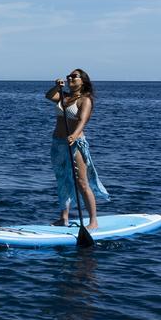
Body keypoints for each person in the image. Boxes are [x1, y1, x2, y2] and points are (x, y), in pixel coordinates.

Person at [45, 69, 109, 228]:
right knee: (63, 180)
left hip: (75, 144)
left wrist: (74, 135)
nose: (70, 78)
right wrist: (56, 86)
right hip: (58, 143)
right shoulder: (64, 96)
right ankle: (64, 218)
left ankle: (93, 221)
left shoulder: (85, 100)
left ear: (83, 81)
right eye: (69, 76)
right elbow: (49, 96)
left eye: (74, 76)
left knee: (81, 182)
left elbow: (83, 120)